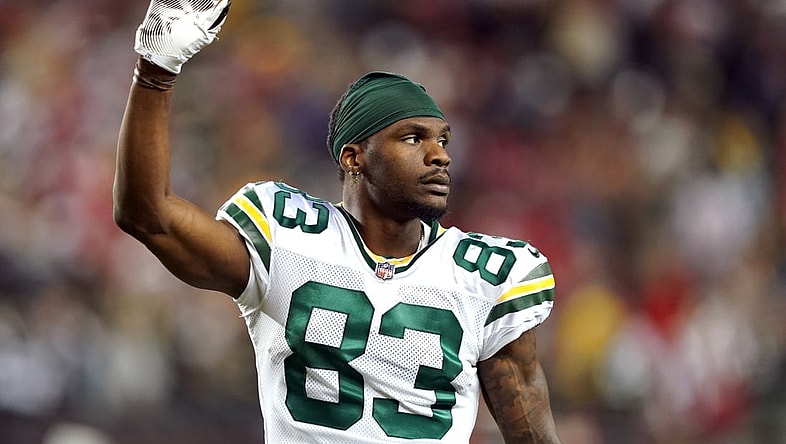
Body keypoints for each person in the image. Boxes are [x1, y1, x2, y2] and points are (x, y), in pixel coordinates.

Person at [113, 1, 562, 443]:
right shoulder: (288, 238)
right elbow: (147, 217)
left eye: (442, 140)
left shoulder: (485, 278)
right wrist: (156, 72)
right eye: (413, 138)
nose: (439, 155)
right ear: (354, 158)